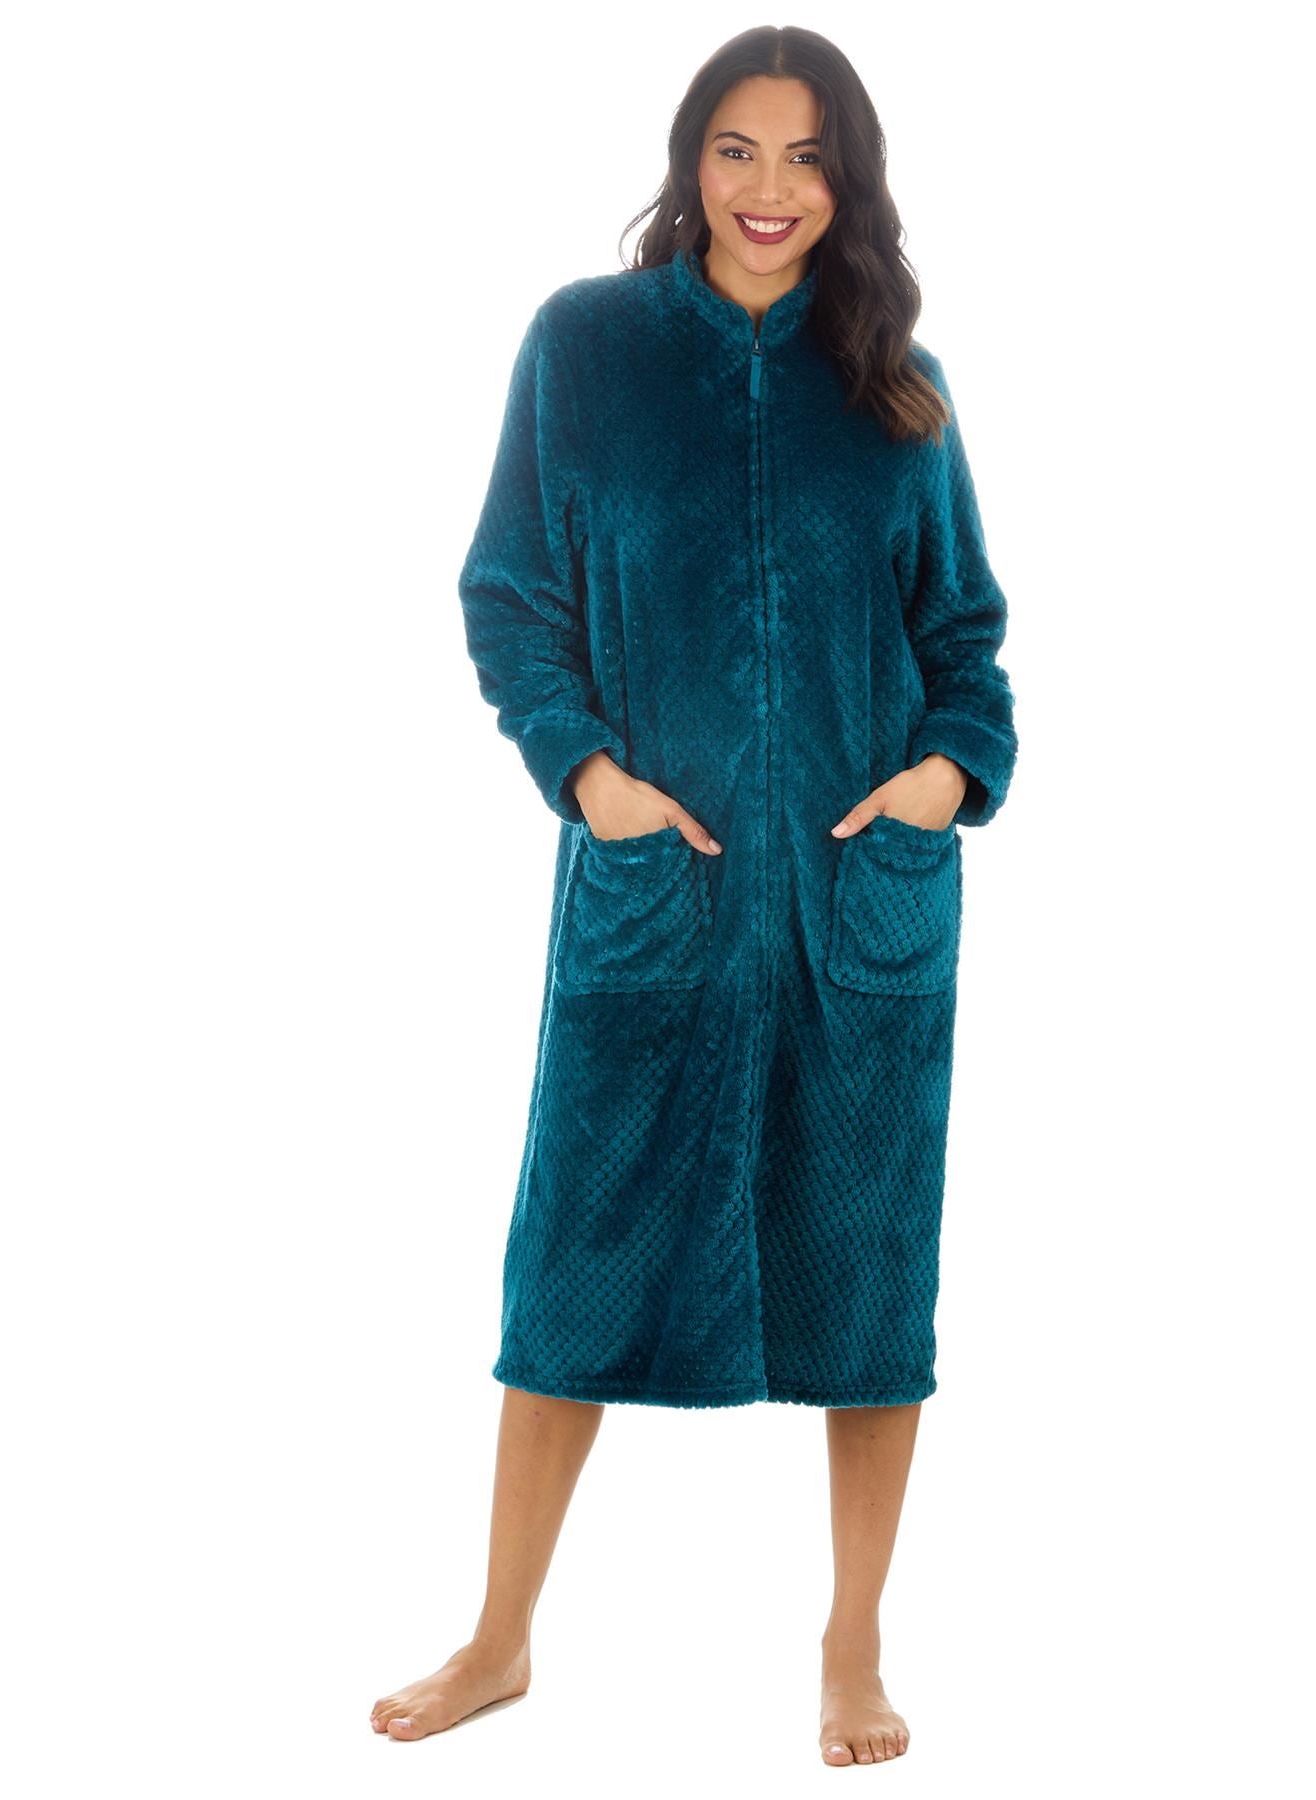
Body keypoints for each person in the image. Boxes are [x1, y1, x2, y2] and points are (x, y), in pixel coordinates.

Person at [371, 26, 1018, 1767]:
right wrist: (589, 776)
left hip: (859, 912)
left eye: (808, 158)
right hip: (652, 902)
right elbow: (511, 593)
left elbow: (966, 640)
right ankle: (500, 1635)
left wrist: (944, 778)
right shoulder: (586, 348)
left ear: (850, 184)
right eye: (738, 149)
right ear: (690, 162)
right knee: (569, 1264)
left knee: (870, 1279)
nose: (769, 190)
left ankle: (853, 1646)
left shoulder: (899, 386)